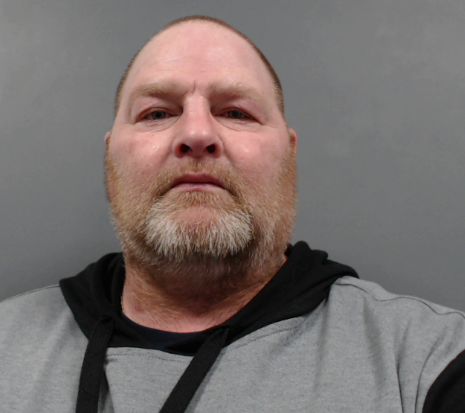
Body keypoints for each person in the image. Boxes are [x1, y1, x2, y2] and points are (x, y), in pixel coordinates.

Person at [0, 15, 464, 413]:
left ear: (289, 156)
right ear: (110, 159)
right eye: (157, 113)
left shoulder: (428, 361)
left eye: (237, 113)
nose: (197, 133)